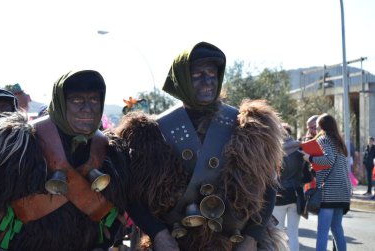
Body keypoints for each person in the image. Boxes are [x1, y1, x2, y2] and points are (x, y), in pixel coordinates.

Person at [115, 41, 288, 250]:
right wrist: (158, 234)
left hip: (236, 243)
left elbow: (268, 187)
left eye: (212, 74)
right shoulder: (152, 133)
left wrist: (252, 238)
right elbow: (134, 196)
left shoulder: (249, 126)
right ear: (182, 80)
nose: (207, 81)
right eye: (197, 75)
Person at [0, 70, 127, 251]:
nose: (87, 108)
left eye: (94, 100)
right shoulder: (17, 143)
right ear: (60, 102)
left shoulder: (108, 150)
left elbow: (114, 212)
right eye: (77, 100)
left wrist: (102, 246)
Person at [302, 113, 351, 251]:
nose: (316, 129)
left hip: (329, 192)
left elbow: (328, 161)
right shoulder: (339, 143)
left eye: (317, 126)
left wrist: (309, 158)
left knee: (323, 231)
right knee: (337, 229)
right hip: (343, 192)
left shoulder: (324, 139)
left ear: (322, 127)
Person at [273, 123, 312, 251]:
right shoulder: (300, 149)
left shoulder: (275, 152)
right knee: (293, 233)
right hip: (297, 195)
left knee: (278, 233)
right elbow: (308, 177)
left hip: (279, 195)